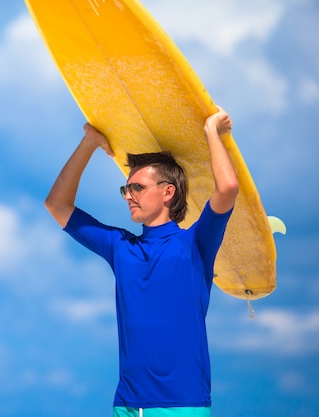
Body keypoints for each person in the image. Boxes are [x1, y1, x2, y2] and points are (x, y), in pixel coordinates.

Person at [45, 106, 238, 417]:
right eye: (126, 188)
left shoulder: (195, 243)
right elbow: (57, 204)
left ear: (167, 192)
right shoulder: (120, 247)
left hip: (182, 405)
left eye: (137, 187)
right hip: (127, 404)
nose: (128, 195)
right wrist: (90, 142)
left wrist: (211, 132)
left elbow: (227, 188)